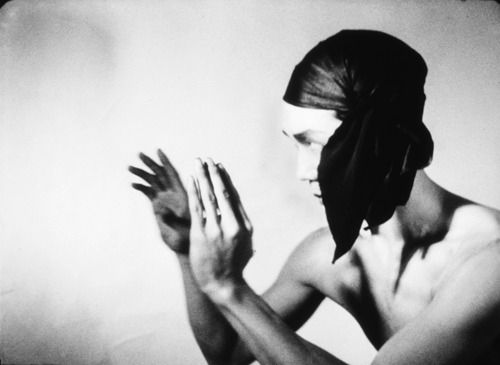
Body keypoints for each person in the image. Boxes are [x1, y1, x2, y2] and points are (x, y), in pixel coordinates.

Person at [129, 30, 500, 365]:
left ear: (382, 140)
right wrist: (187, 251)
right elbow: (227, 351)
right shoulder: (328, 256)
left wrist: (228, 286)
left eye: (315, 143)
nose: (303, 170)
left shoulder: (488, 258)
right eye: (295, 144)